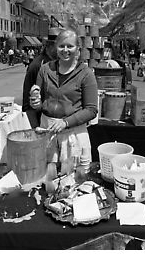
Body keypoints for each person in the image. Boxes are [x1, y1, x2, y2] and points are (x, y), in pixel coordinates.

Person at [30, 29, 98, 179]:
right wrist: (35, 103)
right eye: (61, 46)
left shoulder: (86, 74)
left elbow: (91, 110)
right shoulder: (45, 69)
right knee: (48, 181)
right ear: (56, 47)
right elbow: (40, 103)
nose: (65, 50)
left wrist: (66, 122)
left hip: (73, 135)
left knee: (74, 181)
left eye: (70, 46)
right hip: (48, 131)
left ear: (78, 49)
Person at [23, 29, 60, 128]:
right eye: (59, 46)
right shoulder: (36, 66)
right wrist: (35, 128)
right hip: (41, 120)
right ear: (50, 46)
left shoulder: (59, 64)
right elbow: (28, 102)